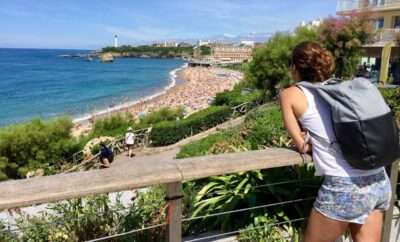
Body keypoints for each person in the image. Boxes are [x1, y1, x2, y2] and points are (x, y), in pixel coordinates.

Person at [279, 41, 391, 242]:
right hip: (379, 180)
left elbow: (302, 145)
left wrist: (308, 140)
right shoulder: (342, 88)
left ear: (295, 68)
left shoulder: (290, 94)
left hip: (344, 186)